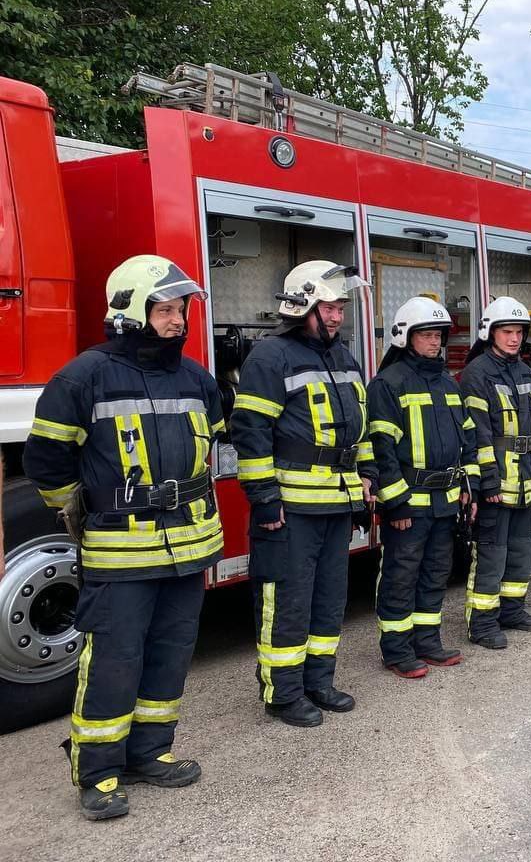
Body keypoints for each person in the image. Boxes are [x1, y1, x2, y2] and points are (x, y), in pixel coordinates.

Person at [24, 255, 223, 820]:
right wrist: (79, 512)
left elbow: (210, 448)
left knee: (169, 656)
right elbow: (46, 460)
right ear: (130, 312)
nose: (177, 320)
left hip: (188, 550)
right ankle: (99, 772)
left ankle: (149, 754)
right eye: (164, 309)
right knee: (114, 661)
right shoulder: (83, 377)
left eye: (180, 309)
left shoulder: (197, 379)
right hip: (119, 554)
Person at [230, 260, 377, 728]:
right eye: (328, 307)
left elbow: (363, 425)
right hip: (291, 508)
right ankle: (283, 692)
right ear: (302, 306)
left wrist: (367, 473)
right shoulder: (270, 357)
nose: (336, 316)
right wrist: (265, 498)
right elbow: (250, 433)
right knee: (287, 602)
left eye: (340, 307)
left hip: (336, 502)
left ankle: (319, 681)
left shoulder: (345, 358)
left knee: (330, 599)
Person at [367, 297, 479, 677]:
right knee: (401, 575)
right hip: (409, 503)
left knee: (435, 573)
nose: (435, 343)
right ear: (404, 337)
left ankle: (427, 640)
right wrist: (394, 505)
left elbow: (466, 437)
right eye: (427, 335)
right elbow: (381, 450)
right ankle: (396, 649)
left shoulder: (448, 382)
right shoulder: (388, 384)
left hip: (446, 499)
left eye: (438, 336)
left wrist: (468, 484)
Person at [461, 297, 531, 649]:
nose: (515, 338)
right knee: (491, 554)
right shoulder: (477, 373)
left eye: (519, 332)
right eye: (508, 332)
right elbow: (477, 434)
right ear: (490, 333)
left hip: (527, 481)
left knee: (520, 551)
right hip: (498, 484)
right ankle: (483, 623)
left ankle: (512, 611)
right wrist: (487, 481)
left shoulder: (525, 371)